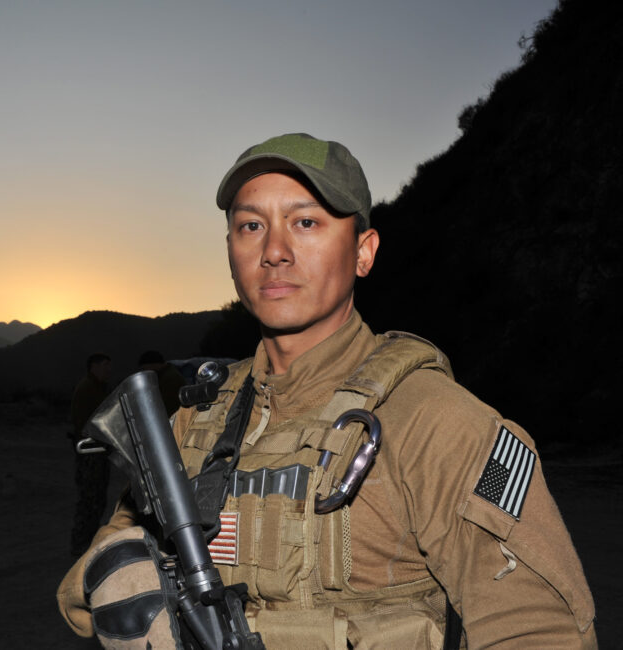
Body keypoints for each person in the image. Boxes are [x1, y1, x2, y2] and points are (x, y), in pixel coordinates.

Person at [58, 133, 596, 647]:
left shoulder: (441, 420)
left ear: (363, 252)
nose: (274, 250)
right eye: (250, 227)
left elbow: (538, 630)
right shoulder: (194, 420)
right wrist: (117, 580)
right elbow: (94, 578)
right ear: (230, 252)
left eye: (306, 222)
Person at [68, 353, 112, 557]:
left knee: (97, 499)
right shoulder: (88, 389)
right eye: (104, 366)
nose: (107, 370)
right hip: (90, 453)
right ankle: (81, 546)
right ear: (93, 366)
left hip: (97, 451)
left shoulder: (96, 387)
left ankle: (88, 542)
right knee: (90, 499)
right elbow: (92, 422)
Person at [137, 349, 187, 416]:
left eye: (144, 369)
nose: (144, 372)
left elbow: (166, 407)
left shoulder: (169, 378)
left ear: (153, 365)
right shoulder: (166, 375)